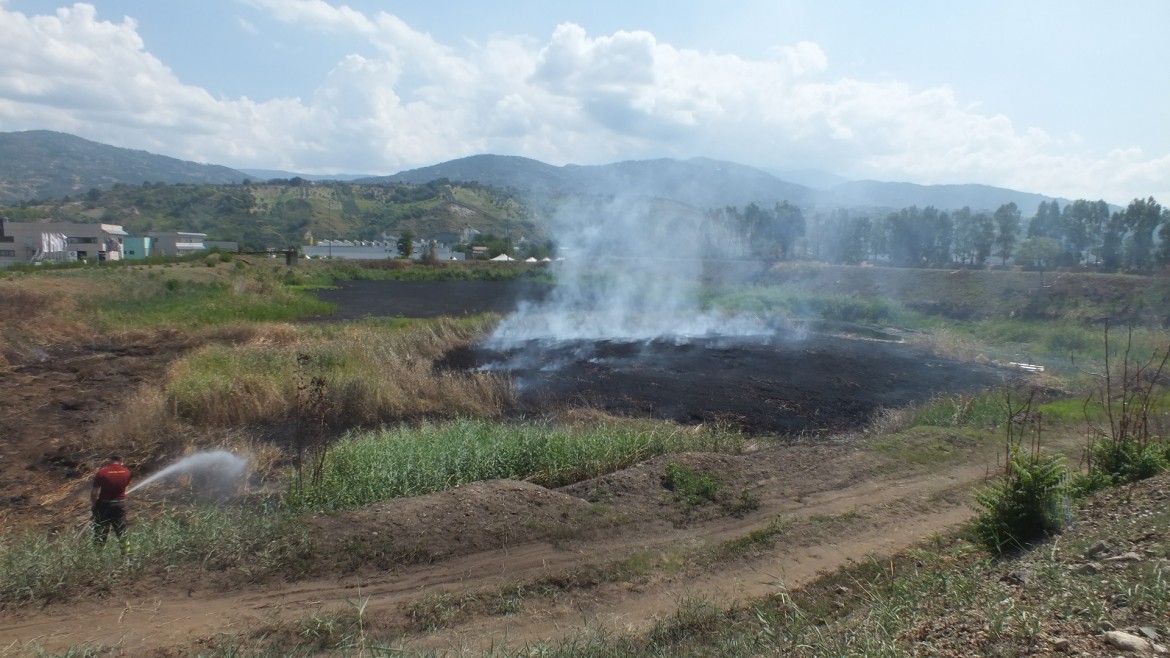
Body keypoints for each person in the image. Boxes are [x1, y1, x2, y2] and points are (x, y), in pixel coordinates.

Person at [91, 453, 131, 554]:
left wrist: (94, 505)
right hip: (119, 505)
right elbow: (125, 489)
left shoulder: (102, 472)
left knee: (101, 532)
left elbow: (94, 492)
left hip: (104, 505)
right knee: (121, 531)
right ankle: (126, 556)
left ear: (110, 461)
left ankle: (98, 556)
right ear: (122, 461)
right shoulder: (126, 472)